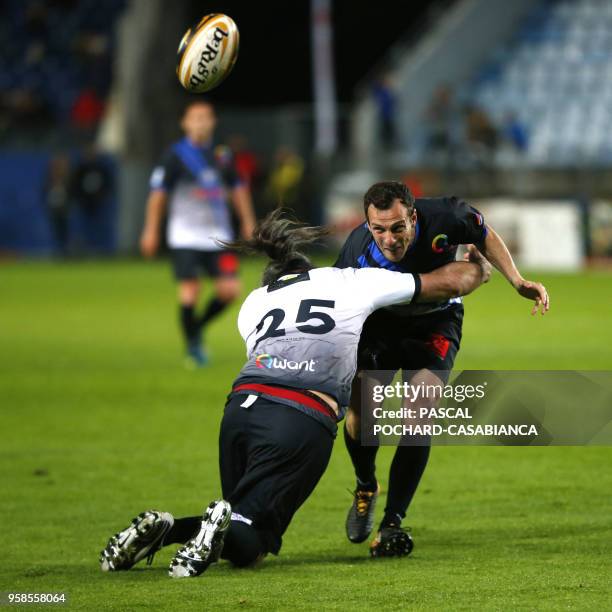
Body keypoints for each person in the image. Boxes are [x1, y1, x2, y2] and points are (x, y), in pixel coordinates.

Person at [100, 209, 492, 578]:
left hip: (240, 409)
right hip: (301, 420)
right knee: (253, 543)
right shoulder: (351, 280)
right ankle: (184, 530)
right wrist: (479, 268)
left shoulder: (254, 303)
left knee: (239, 520)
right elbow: (444, 283)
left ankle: (168, 530)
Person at [334, 181, 549, 557]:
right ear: (367, 225)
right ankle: (366, 484)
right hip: (379, 328)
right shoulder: (355, 250)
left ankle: (391, 522)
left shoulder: (447, 216)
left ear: (413, 217)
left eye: (398, 227)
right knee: (361, 417)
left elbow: (483, 233)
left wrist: (517, 281)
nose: (389, 239)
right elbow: (338, 303)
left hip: (435, 324)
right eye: (379, 229)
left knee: (419, 416)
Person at [140, 100, 256, 367]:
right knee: (190, 291)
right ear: (185, 123)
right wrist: (150, 230)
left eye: (206, 117)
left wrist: (248, 221)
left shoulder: (222, 155)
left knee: (230, 290)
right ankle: (193, 347)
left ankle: (196, 330)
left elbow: (238, 189)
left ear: (213, 122)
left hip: (218, 236)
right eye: (196, 118)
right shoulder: (175, 156)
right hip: (185, 237)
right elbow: (158, 196)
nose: (201, 122)